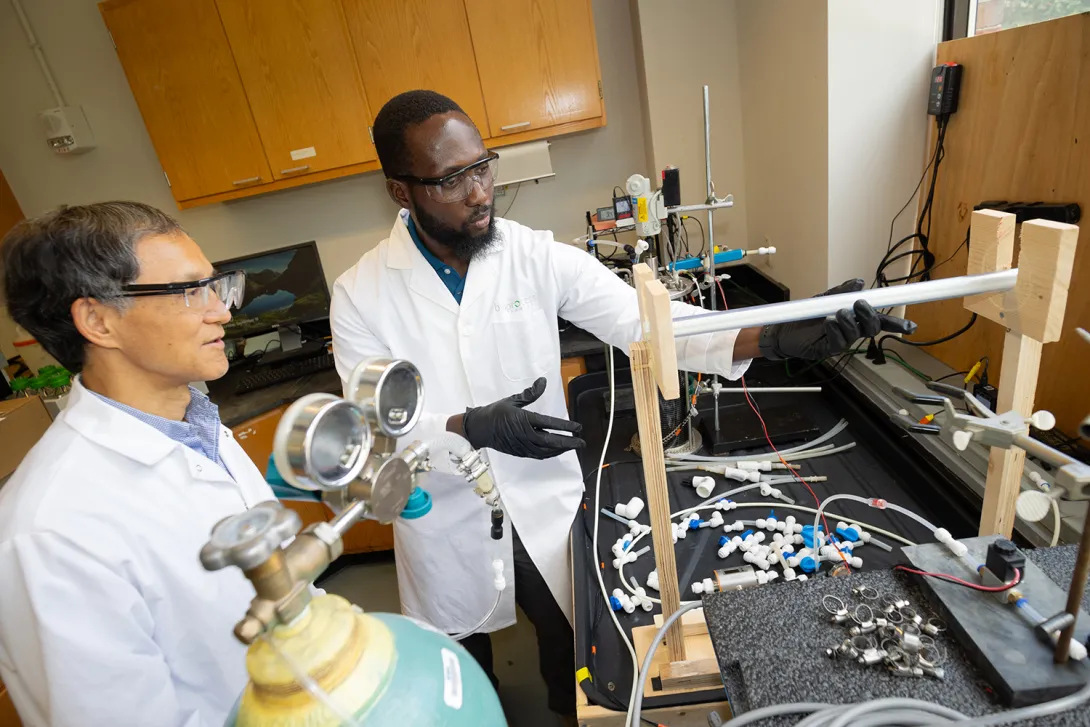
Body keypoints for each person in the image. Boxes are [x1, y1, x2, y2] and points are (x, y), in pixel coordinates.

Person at [329, 90, 915, 722]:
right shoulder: (361, 294)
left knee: (571, 664)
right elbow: (374, 424)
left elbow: (649, 323)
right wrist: (466, 426)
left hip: (541, 501)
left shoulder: (529, 253)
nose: (478, 192)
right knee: (458, 680)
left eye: (482, 166)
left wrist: (775, 335)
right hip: (443, 519)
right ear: (401, 191)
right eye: (451, 179)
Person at [0, 202, 272, 726]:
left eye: (217, 286)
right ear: (98, 321)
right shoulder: (48, 533)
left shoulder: (199, 427)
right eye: (191, 292)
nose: (222, 311)